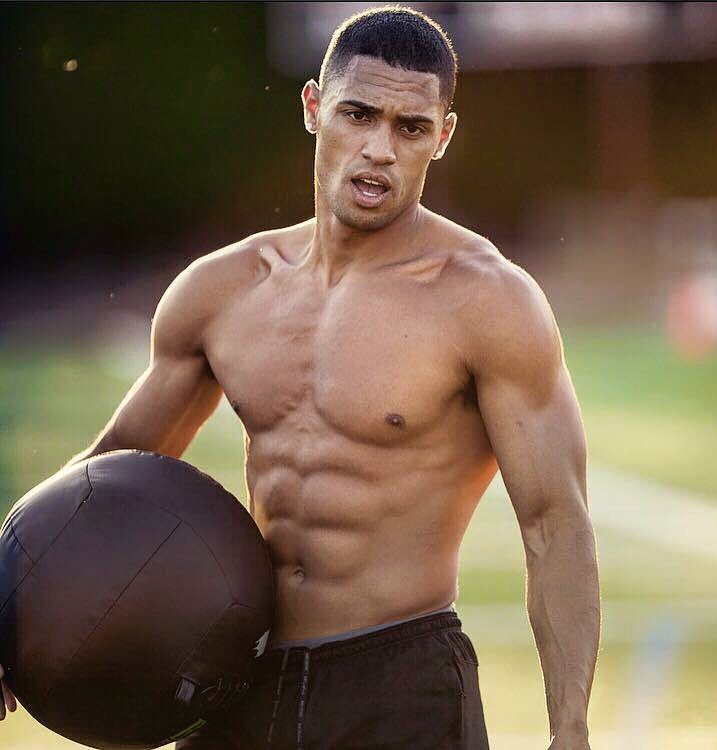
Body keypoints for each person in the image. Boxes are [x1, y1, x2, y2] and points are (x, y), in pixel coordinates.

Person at [1, 7, 600, 749]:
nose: (379, 148)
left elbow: (554, 524)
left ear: (441, 136)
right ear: (315, 108)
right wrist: (10, 613)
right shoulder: (222, 291)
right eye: (358, 114)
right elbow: (102, 477)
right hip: (237, 678)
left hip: (402, 680)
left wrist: (569, 730)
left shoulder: (489, 301)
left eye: (410, 127)